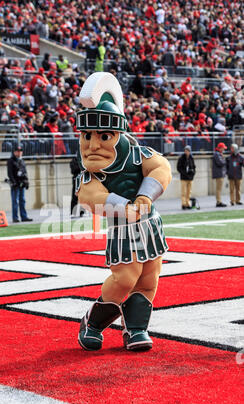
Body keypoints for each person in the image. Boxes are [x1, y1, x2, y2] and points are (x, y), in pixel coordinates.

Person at [75, 72, 172, 352]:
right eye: (87, 136)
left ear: (118, 134)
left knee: (149, 277)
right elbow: (90, 195)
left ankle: (136, 329)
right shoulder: (89, 172)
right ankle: (91, 323)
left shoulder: (138, 153)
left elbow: (161, 167)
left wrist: (145, 196)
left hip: (149, 223)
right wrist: (125, 207)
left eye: (103, 136)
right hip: (123, 227)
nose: (93, 145)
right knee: (126, 277)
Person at [7, 145, 33, 223]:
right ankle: (15, 217)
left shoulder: (22, 161)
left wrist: (26, 181)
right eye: (18, 151)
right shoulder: (11, 161)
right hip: (15, 184)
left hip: (22, 183)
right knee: (15, 201)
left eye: (20, 151)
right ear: (14, 152)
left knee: (23, 200)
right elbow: (10, 173)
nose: (19, 153)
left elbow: (24, 172)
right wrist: (13, 181)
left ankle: (24, 216)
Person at [212, 143, 227, 207]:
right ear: (220, 148)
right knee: (218, 189)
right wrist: (224, 160)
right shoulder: (217, 154)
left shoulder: (218, 154)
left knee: (219, 189)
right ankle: (218, 202)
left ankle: (219, 201)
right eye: (223, 148)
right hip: (219, 174)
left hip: (220, 173)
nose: (224, 149)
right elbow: (220, 163)